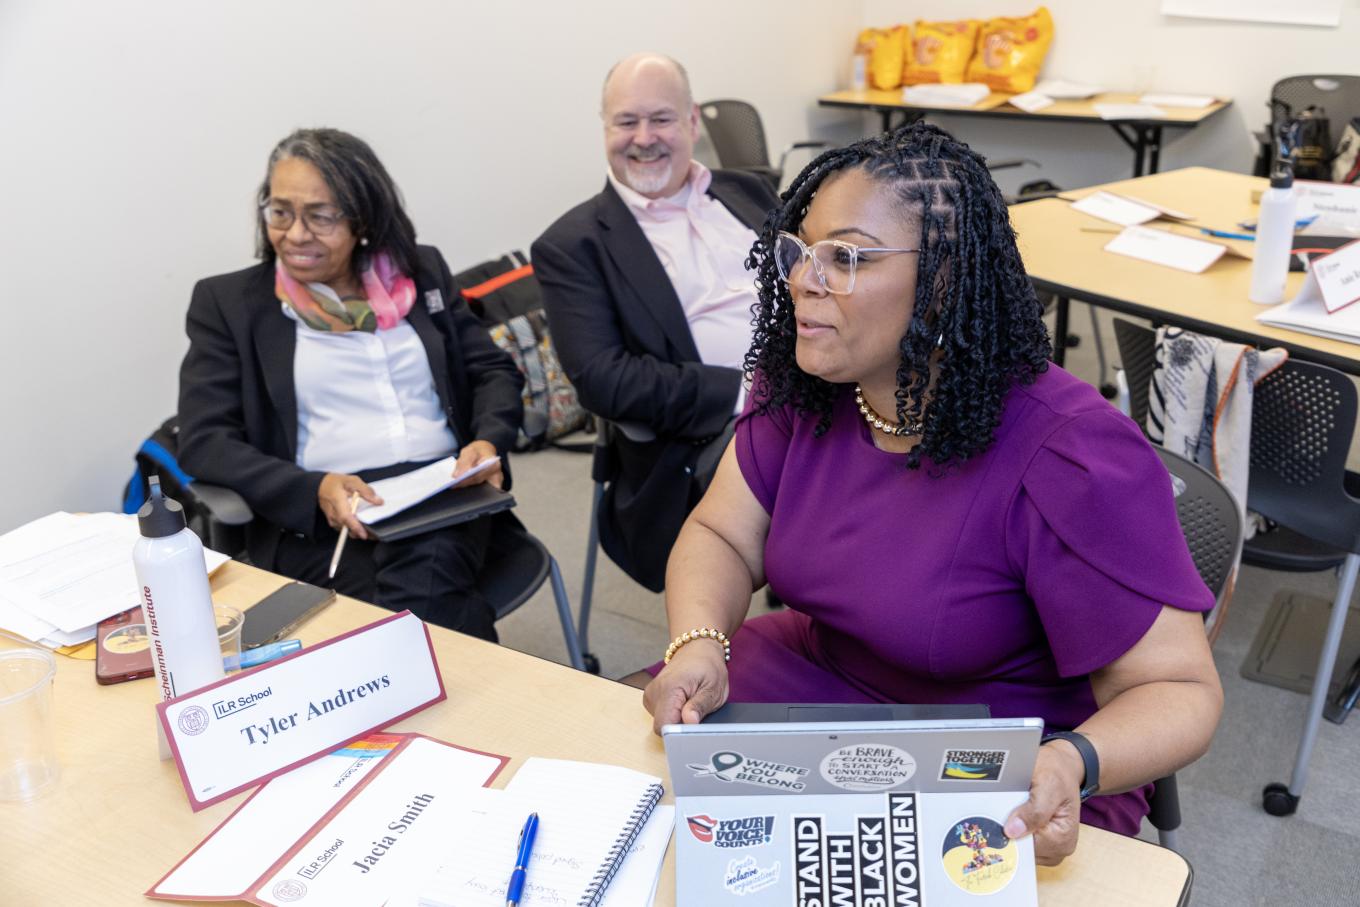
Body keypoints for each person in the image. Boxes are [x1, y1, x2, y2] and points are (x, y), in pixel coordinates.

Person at [641, 123, 1223, 865]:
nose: (803, 279)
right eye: (802, 250)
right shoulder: (804, 386)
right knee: (673, 840)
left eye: (844, 256)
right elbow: (722, 534)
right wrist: (699, 638)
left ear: (943, 279)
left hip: (1006, 748)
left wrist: (1073, 759)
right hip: (823, 689)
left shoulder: (1069, 453)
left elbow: (1181, 689)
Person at [178, 128, 524, 641]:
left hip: (442, 489)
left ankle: (431, 707)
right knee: (405, 599)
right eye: (280, 212)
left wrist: (488, 440)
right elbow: (205, 439)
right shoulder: (229, 304)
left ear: (363, 218)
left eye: (320, 216)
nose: (295, 234)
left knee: (413, 587)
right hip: (324, 514)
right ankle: (486, 711)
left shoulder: (421, 272)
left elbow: (490, 371)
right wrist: (313, 489)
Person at [532, 53, 781, 591]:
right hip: (708, 439)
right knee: (864, 480)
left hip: (822, 386)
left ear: (692, 122)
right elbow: (606, 380)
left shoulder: (747, 191)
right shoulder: (574, 246)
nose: (644, 137)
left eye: (661, 119)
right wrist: (752, 392)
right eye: (626, 121)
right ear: (606, 128)